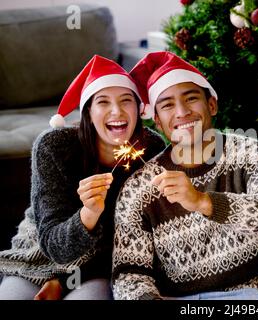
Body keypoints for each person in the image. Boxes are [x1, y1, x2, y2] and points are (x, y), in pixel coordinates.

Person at [112, 52, 258, 300]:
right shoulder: (139, 188)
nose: (182, 112)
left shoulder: (256, 154)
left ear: (212, 105)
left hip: (251, 297)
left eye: (191, 98)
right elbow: (129, 273)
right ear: (157, 120)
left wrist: (202, 201)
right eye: (167, 105)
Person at [0, 55, 166, 300]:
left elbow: (136, 242)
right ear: (88, 111)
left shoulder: (150, 148)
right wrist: (88, 214)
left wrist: (65, 282)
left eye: (126, 100)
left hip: (100, 263)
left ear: (139, 108)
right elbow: (53, 242)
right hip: (39, 253)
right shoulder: (53, 146)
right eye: (103, 102)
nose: (116, 111)